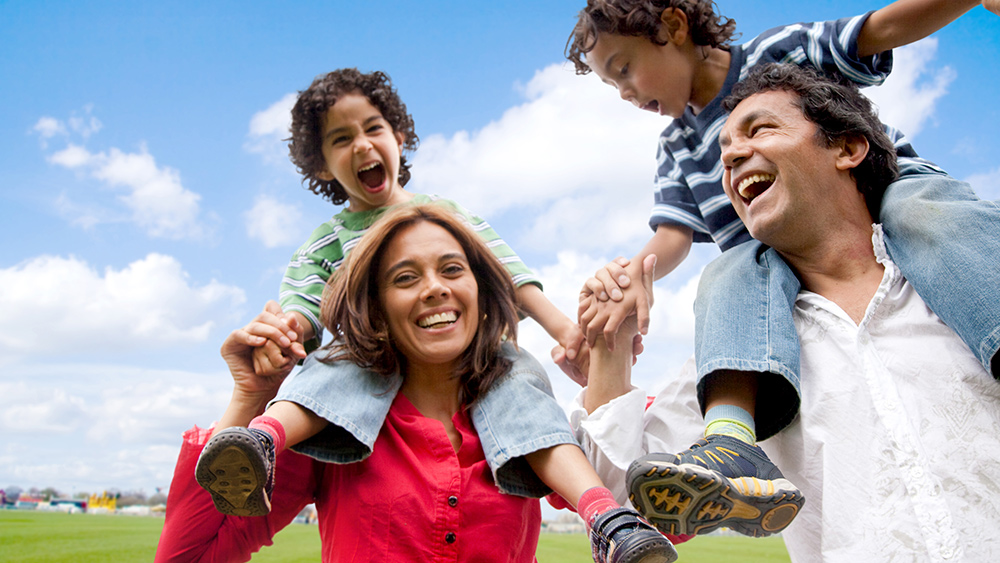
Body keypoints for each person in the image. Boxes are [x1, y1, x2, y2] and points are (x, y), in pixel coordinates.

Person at [562, 0, 1000, 536]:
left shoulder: (777, 54)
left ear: (673, 28)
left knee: (923, 215)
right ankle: (729, 443)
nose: (625, 93)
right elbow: (672, 235)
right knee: (730, 270)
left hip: (894, 194)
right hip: (766, 263)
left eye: (623, 70)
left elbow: (879, 28)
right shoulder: (676, 147)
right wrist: (631, 277)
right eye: (613, 87)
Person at [210, 68, 665, 545]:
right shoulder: (327, 240)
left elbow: (507, 270)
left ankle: (607, 520)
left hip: (480, 359)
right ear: (323, 166)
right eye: (341, 139)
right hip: (367, 358)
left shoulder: (447, 216)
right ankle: (259, 441)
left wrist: (565, 332)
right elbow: (301, 302)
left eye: (372, 129)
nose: (362, 145)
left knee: (527, 397)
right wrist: (285, 338)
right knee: (327, 369)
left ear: (399, 138)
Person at [157, 204, 678, 562]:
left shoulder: (526, 426)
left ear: (481, 290)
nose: (434, 289)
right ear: (377, 306)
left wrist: (612, 342)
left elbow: (660, 524)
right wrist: (248, 400)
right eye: (405, 278)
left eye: (452, 269)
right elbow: (192, 554)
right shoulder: (329, 432)